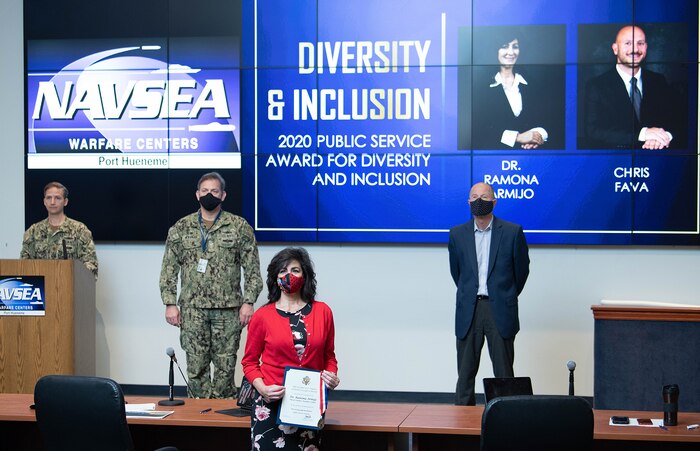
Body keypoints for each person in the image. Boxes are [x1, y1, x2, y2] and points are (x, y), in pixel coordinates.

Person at [159, 172, 263, 399]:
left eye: (214, 191)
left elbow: (252, 269)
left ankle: (222, 416)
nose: (209, 195)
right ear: (197, 194)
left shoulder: (238, 226)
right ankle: (199, 416)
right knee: (196, 366)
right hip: (193, 309)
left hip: (228, 309)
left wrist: (249, 302)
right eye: (204, 191)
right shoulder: (182, 227)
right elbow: (169, 268)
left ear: (223, 195)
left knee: (226, 366)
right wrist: (170, 303)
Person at [242, 247, 339, 451]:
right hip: (270, 403)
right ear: (275, 277)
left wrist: (332, 376)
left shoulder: (323, 312)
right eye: (283, 271)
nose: (289, 275)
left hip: (308, 405)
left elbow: (329, 357)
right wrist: (262, 389)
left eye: (295, 270)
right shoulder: (262, 316)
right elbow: (249, 363)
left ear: (305, 275)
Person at [448, 182, 530, 406]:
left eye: (484, 196)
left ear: (494, 201)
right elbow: (458, 274)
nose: (479, 200)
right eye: (474, 196)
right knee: (465, 375)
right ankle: (461, 429)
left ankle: (508, 424)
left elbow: (521, 272)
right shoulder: (457, 234)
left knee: (504, 374)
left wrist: (506, 294)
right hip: (469, 310)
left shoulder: (513, 232)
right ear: (468, 202)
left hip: (500, 310)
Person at [583, 25, 683, 150]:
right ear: (615, 49)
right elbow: (592, 131)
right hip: (615, 162)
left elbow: (677, 121)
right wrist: (643, 134)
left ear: (646, 47)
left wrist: (665, 136)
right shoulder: (596, 86)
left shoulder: (658, 81)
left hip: (657, 160)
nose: (635, 49)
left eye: (640, 43)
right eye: (628, 43)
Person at [472, 34, 564, 149]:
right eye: (505, 46)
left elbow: (550, 121)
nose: (511, 52)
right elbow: (477, 130)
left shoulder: (533, 84)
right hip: (494, 157)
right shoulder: (480, 87)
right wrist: (517, 137)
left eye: (515, 47)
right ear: (495, 50)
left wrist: (537, 136)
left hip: (530, 157)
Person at [21, 181, 98, 278]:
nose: (52, 202)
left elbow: (91, 266)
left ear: (65, 202)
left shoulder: (80, 230)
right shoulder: (33, 231)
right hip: (41, 289)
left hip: (70, 289)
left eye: (57, 198)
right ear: (44, 201)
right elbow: (24, 266)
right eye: (49, 198)